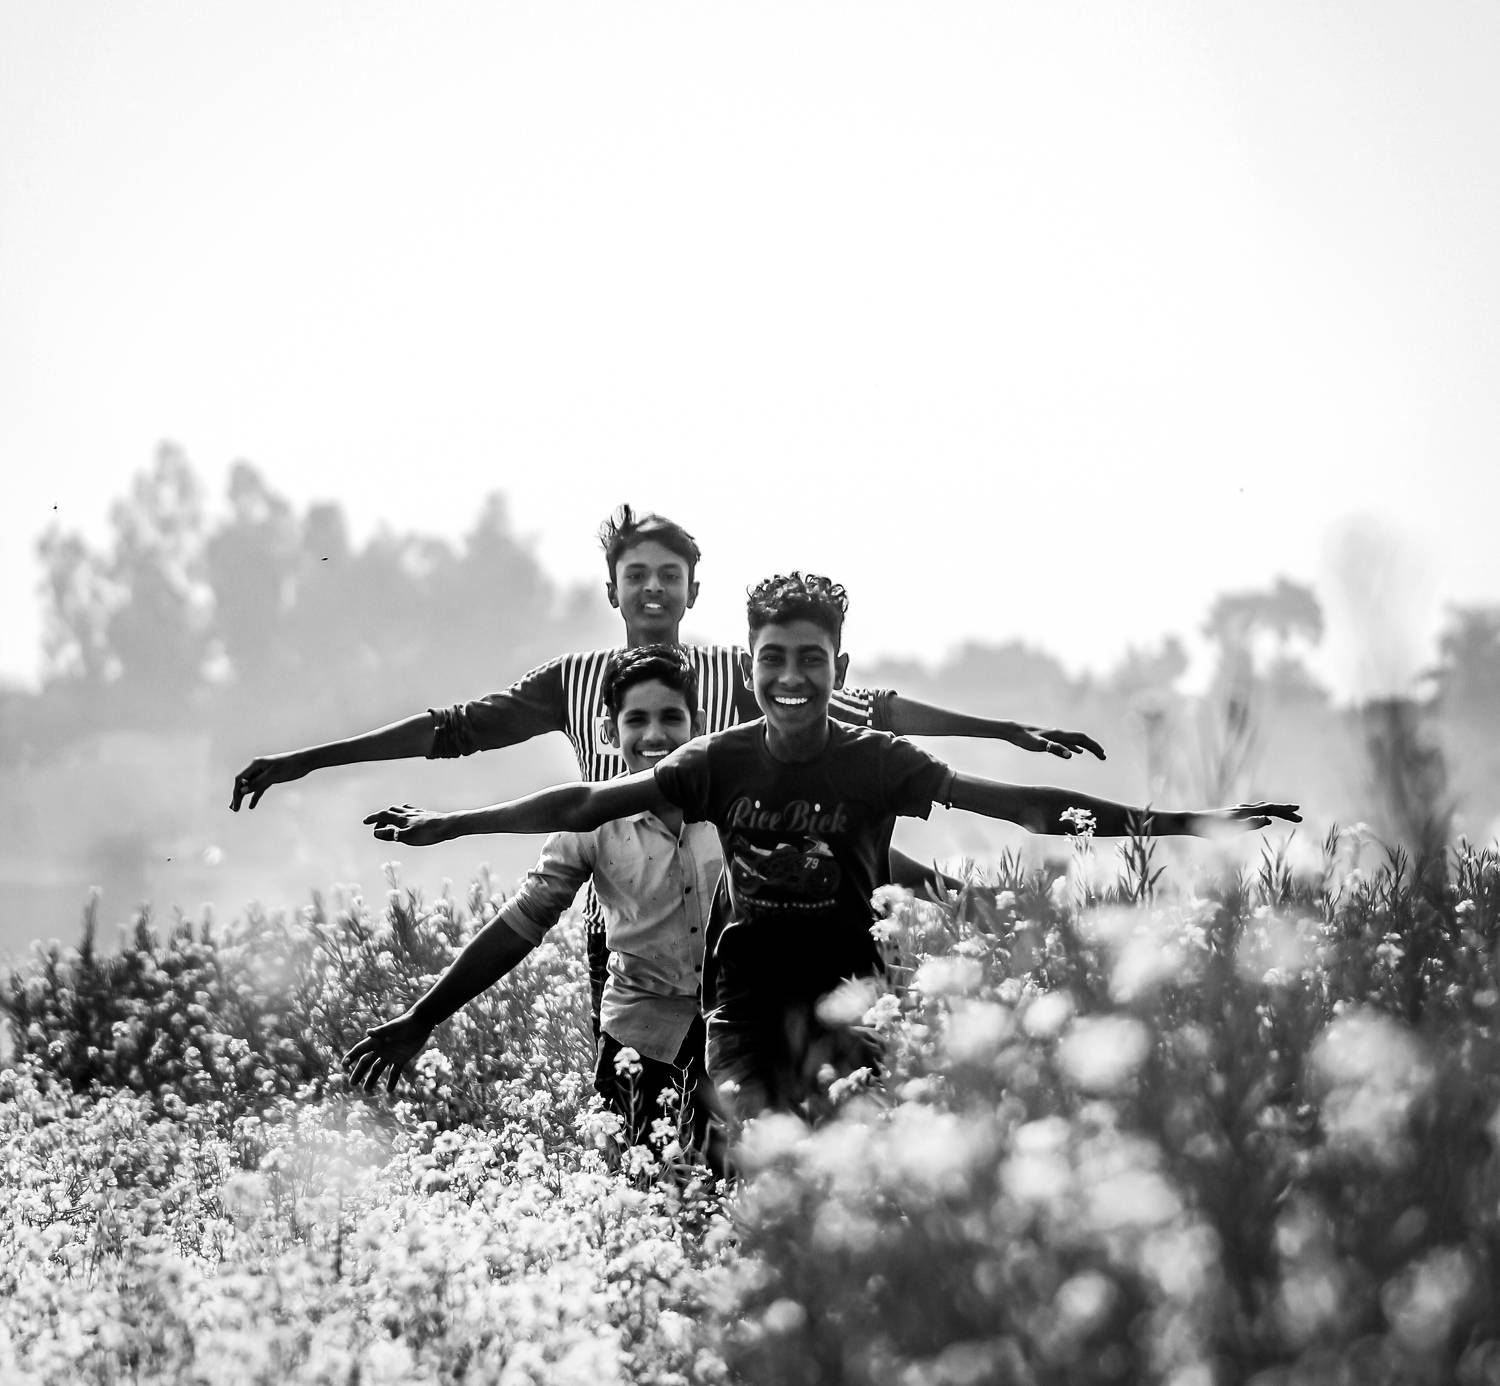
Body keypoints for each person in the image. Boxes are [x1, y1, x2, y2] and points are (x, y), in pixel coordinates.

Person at [363, 572, 1301, 1123]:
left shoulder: (879, 763)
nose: (791, 676)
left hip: (852, 1004)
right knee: (749, 1170)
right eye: (773, 658)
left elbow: (1029, 808)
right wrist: (454, 824)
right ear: (750, 669)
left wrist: (1198, 824)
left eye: (811, 659)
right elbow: (582, 800)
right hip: (741, 1011)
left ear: (838, 669)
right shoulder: (716, 762)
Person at [230, 505, 1106, 1033]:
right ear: (611, 589)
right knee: (643, 1096)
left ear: (693, 589)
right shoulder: (570, 680)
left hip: (750, 905)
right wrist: (308, 760)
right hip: (628, 915)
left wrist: (1009, 731)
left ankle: (988, 908)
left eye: (669, 575)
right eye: (636, 574)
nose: (653, 588)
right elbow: (454, 730)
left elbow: (871, 712)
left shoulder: (746, 670)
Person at [343, 646, 728, 1172]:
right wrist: (424, 1016)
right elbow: (522, 922)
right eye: (636, 720)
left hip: (735, 1037)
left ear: (699, 724)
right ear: (609, 732)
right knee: (650, 1198)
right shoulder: (590, 821)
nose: (655, 735)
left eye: (671, 718)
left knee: (746, 1198)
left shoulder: (735, 804)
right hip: (639, 1046)